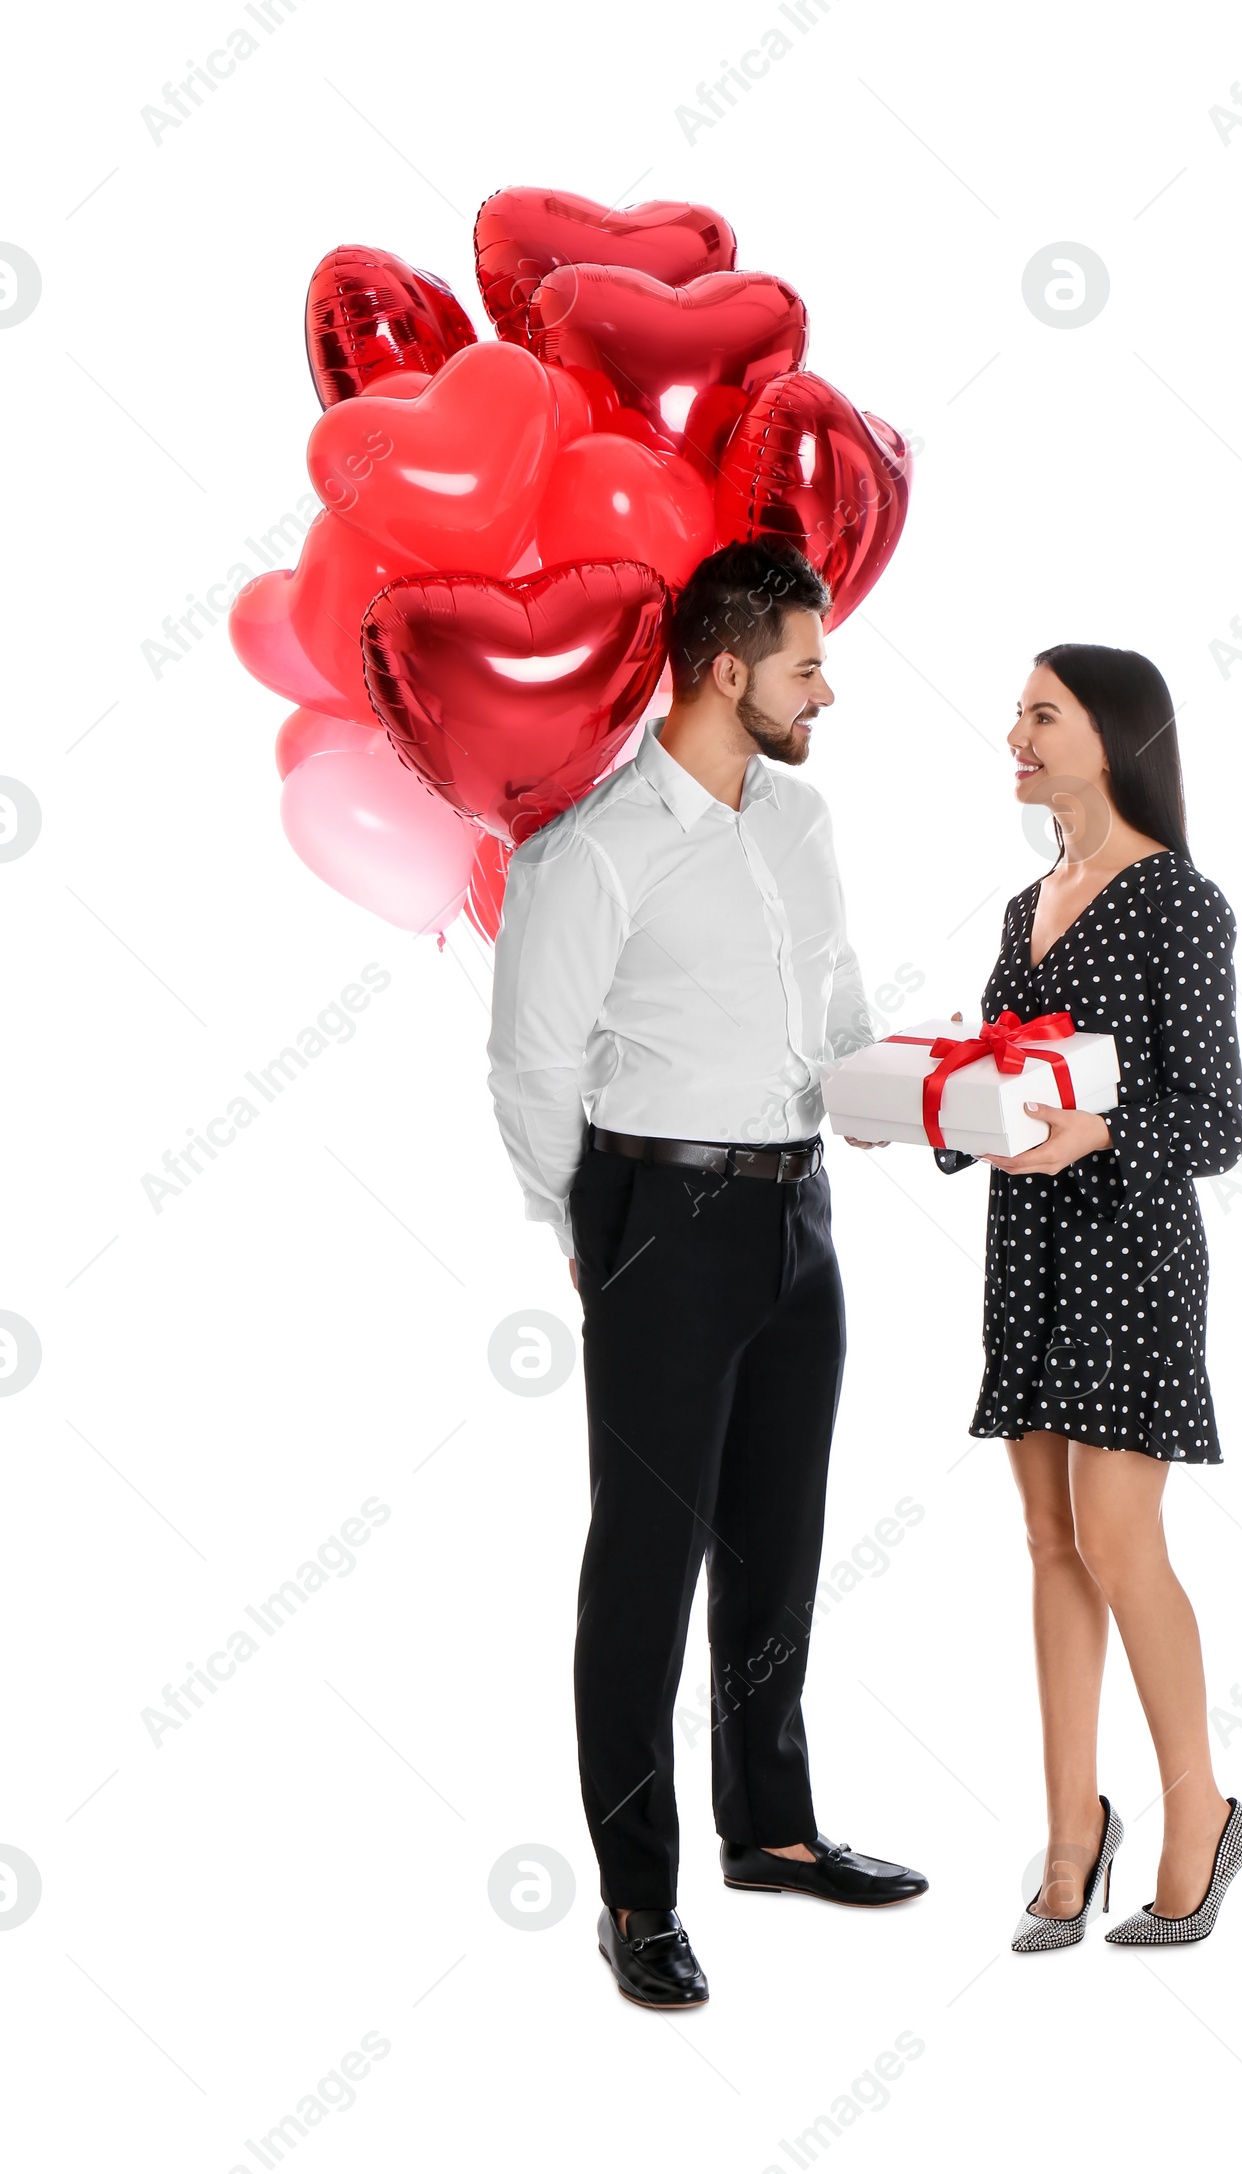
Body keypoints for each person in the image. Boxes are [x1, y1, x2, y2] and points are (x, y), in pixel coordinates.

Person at [486, 541, 927, 2011]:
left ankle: (774, 1828)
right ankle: (635, 1894)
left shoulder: (799, 820)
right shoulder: (596, 848)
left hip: (798, 1212)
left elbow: (841, 1000)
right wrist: (585, 1228)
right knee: (643, 1571)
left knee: (779, 1544)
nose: (828, 688)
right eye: (809, 663)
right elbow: (533, 1062)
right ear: (727, 671)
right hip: (660, 1215)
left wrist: (934, 1103)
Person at [937, 642, 1242, 1952]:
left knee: (1120, 1539)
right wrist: (926, 1110)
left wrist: (1099, 1134)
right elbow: (1007, 1080)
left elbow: (1218, 1121)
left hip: (1130, 1245)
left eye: (1042, 711)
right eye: (1016, 708)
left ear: (1113, 735)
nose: (1014, 727)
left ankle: (1205, 1817)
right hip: (1030, 1245)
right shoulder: (1027, 906)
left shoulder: (1179, 901)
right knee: (1050, 1543)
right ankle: (1074, 1831)